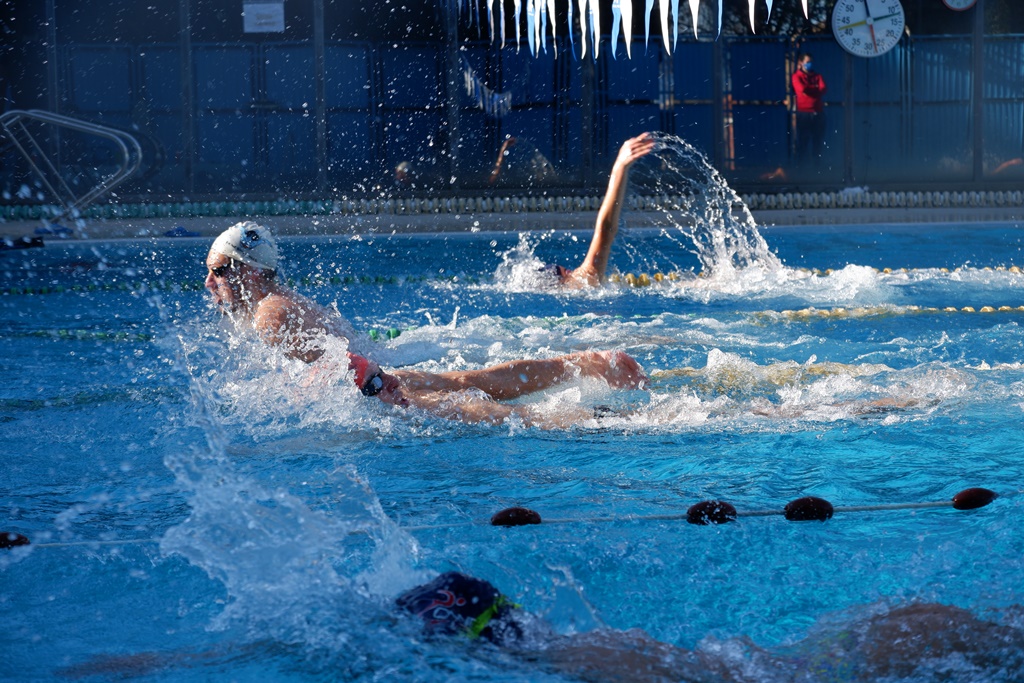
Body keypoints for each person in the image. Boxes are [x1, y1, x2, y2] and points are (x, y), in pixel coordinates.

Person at [204, 222, 647, 427]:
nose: (210, 282)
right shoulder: (279, 303)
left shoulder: (269, 315)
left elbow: (346, 365)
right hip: (385, 374)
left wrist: (390, 396)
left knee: (497, 415)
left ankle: (605, 420)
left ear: (245, 269)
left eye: (218, 269)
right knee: (472, 381)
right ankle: (587, 364)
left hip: (383, 386)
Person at [399, 572, 1024, 683]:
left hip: (897, 635)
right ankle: (517, 640)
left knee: (726, 675)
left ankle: (513, 638)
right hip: (908, 642)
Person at [543, 132, 657, 288]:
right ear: (563, 278)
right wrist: (620, 166)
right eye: (563, 271)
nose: (571, 271)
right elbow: (605, 230)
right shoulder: (579, 281)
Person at [791, 53, 826, 169]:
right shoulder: (796, 76)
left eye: (810, 61)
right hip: (804, 114)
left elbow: (823, 88)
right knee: (803, 142)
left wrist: (811, 90)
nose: (809, 64)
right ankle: (800, 168)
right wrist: (815, 89)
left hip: (818, 112)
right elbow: (802, 89)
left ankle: (817, 168)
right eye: (807, 62)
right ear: (801, 63)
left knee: (817, 141)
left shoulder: (817, 76)